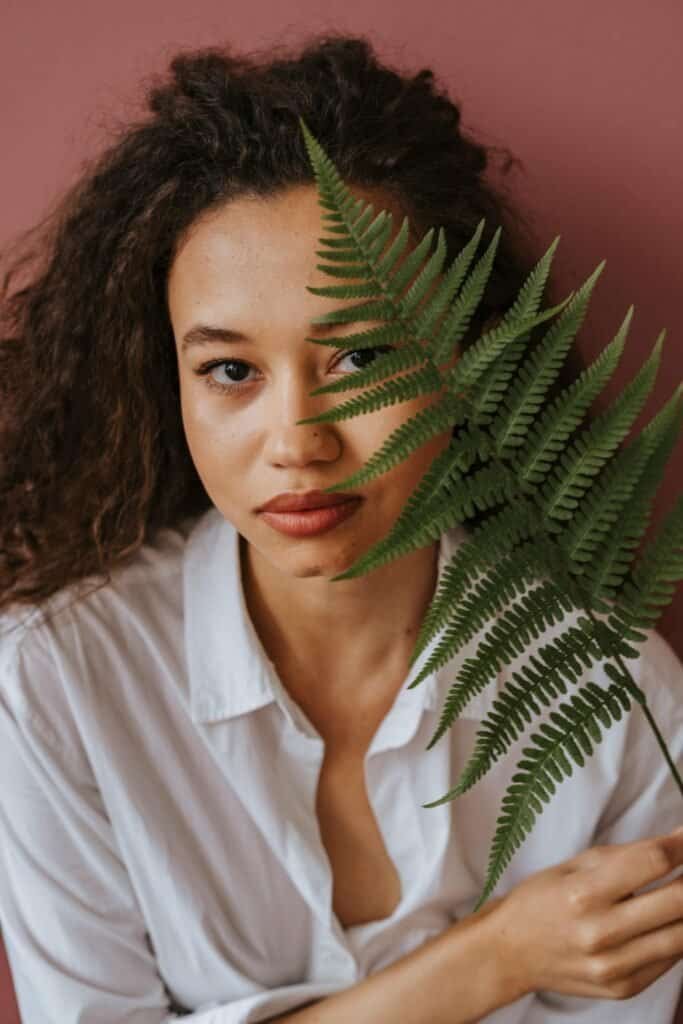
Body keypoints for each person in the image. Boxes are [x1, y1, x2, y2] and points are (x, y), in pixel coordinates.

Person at [0, 31, 682, 1024]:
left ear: (460, 361)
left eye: (362, 360)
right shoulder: (58, 682)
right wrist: (494, 957)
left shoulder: (614, 694)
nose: (297, 443)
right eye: (231, 371)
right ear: (170, 387)